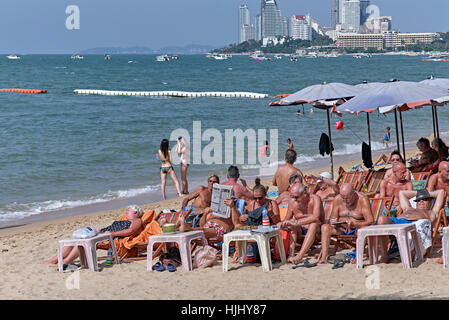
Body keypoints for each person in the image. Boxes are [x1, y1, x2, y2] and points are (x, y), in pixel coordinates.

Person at [42, 205, 144, 268]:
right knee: (75, 240)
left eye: (128, 210)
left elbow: (131, 231)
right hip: (103, 233)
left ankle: (65, 262)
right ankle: (54, 260)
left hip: (110, 238)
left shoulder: (136, 221)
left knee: (82, 243)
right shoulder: (125, 220)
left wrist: (112, 234)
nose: (126, 212)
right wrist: (100, 230)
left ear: (135, 212)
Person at [376, 189, 446, 263]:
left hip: (415, 225)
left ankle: (411, 254)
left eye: (425, 199)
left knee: (424, 222)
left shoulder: (432, 212)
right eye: (419, 200)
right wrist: (420, 192)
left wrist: (425, 193)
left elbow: (441, 192)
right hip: (399, 222)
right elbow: (402, 193)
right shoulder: (408, 208)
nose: (421, 201)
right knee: (381, 219)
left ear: (430, 202)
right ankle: (384, 256)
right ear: (416, 203)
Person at [317, 183, 373, 264]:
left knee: (363, 230)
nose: (345, 201)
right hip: (341, 228)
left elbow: (370, 220)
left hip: (357, 228)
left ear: (354, 193)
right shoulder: (338, 199)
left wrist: (355, 224)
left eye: (347, 198)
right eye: (343, 198)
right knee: (325, 227)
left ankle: (358, 257)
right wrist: (334, 222)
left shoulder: (362, 199)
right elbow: (334, 218)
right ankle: (323, 258)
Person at [278, 183, 322, 264]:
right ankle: (291, 254)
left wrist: (296, 222)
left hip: (316, 233)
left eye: (296, 197)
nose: (294, 199)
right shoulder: (292, 202)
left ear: (304, 193)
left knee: (313, 224)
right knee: (291, 226)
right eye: (292, 196)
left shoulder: (315, 199)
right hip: (300, 231)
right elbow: (286, 219)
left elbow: (316, 217)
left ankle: (300, 256)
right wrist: (282, 223)